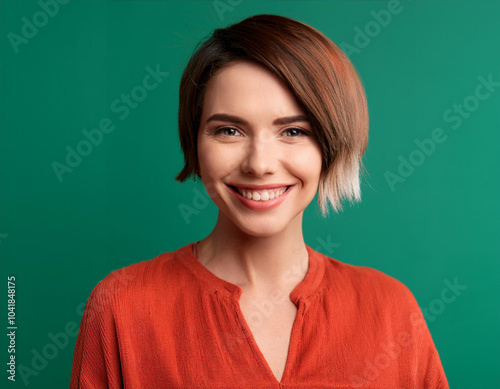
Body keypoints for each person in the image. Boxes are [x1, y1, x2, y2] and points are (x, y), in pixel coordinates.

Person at [70, 14, 449, 388]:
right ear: (195, 143)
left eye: (294, 131)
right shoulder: (122, 306)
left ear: (331, 146)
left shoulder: (390, 310)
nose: (259, 164)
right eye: (229, 130)